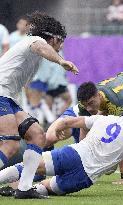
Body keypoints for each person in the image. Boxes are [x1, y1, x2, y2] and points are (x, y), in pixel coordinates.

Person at [0, 11, 78, 199]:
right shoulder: (34, 41)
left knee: (37, 135)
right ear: (52, 39)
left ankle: (24, 188)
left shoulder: (34, 53)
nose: (61, 46)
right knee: (10, 144)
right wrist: (61, 61)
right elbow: (41, 47)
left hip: (9, 98)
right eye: (60, 42)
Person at [45, 72, 123, 184]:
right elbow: (84, 127)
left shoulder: (117, 103)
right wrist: (84, 158)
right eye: (85, 105)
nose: (88, 108)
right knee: (51, 137)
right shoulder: (87, 102)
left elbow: (122, 138)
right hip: (119, 88)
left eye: (91, 103)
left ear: (98, 95)